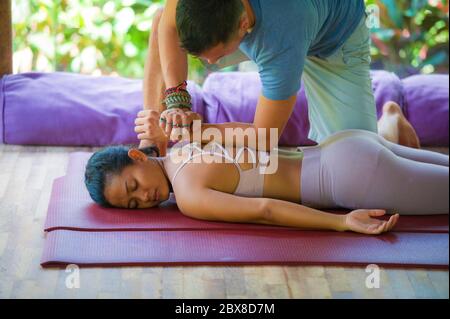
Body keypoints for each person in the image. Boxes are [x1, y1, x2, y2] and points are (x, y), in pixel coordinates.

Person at [139, 0, 420, 156]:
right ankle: (153, 144)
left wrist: (199, 133)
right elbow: (169, 23)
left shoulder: (280, 39)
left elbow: (265, 137)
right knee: (162, 17)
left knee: (356, 161)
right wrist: (177, 100)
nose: (209, 63)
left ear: (243, 26)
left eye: (215, 55)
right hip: (271, 20)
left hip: (335, 38)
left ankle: (389, 124)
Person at [84, 118, 449, 236]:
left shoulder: (188, 192)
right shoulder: (190, 139)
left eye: (134, 185)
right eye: (132, 202)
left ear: (137, 155)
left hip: (351, 179)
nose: (144, 197)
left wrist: (341, 224)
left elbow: (265, 210)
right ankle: (390, 118)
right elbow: (262, 135)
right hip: (348, 145)